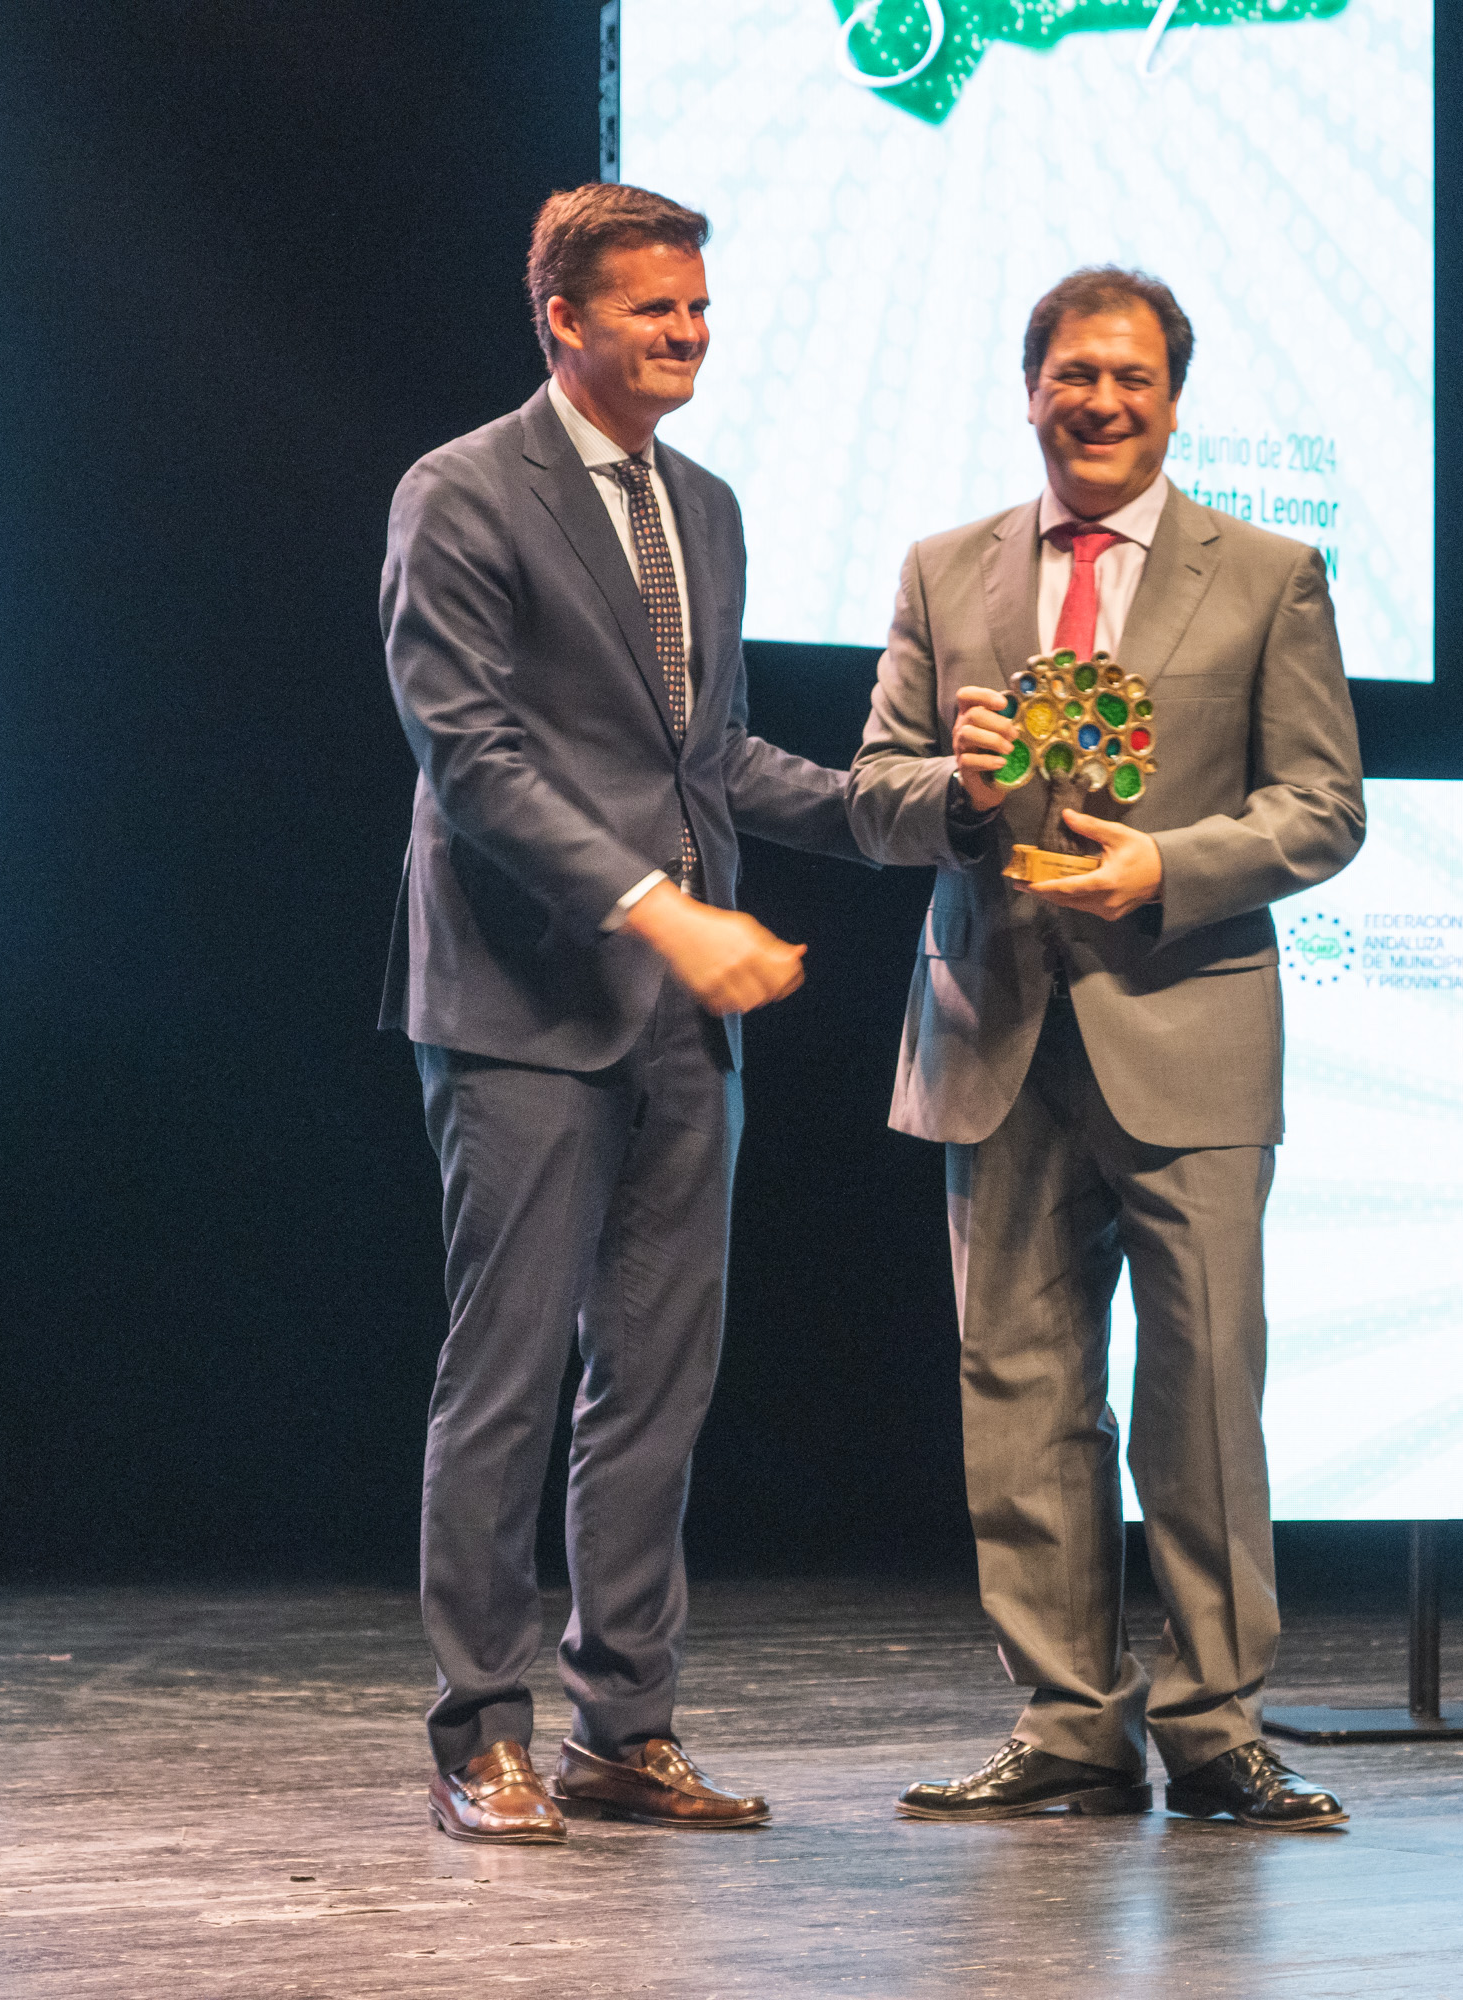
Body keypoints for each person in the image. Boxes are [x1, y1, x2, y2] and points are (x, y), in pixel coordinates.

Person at [848, 266, 1366, 1830]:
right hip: (992, 1027)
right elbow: (872, 788)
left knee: (1202, 1389)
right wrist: (953, 789)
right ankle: (1070, 1727)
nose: (1101, 401)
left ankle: (1216, 1728)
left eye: (1133, 378)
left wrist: (1169, 867)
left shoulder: (1267, 573)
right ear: (1032, 390)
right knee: (1019, 1386)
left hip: (1187, 1026)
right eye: (1075, 373)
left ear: (1174, 402)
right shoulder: (945, 568)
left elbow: (1322, 807)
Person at [379, 183, 861, 1844]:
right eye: (656, 308)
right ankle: (479, 1731)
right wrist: (661, 909)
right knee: (507, 1375)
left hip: (679, 1018)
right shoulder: (462, 490)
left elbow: (711, 758)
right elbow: (472, 755)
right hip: (526, 998)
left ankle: (624, 1729)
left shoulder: (703, 506)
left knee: (656, 1382)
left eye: (700, 308)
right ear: (563, 319)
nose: (689, 333)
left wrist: (926, 806)